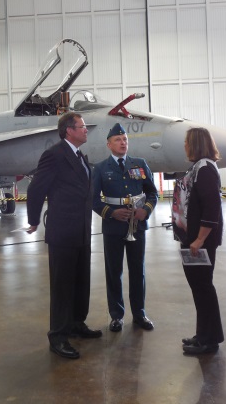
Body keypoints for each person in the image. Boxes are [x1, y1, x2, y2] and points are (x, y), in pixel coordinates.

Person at [26, 112, 102, 360]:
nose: (86, 130)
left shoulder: (80, 156)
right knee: (62, 286)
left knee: (81, 281)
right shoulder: (54, 155)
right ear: (69, 130)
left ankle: (76, 323)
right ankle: (58, 336)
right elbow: (36, 188)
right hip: (62, 231)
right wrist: (34, 219)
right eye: (82, 126)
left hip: (82, 230)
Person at [92, 123, 158, 333]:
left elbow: (152, 193)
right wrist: (111, 213)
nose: (123, 143)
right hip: (113, 226)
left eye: (125, 140)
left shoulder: (139, 164)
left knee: (138, 271)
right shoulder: (100, 168)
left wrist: (145, 211)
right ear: (109, 144)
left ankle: (139, 314)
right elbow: (92, 200)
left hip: (137, 225)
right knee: (114, 272)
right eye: (118, 140)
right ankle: (116, 316)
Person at [172, 127, 224, 355]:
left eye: (187, 142)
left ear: (195, 144)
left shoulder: (204, 169)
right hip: (194, 238)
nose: (184, 146)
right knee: (199, 288)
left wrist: (200, 239)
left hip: (200, 241)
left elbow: (212, 208)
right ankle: (203, 334)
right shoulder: (198, 167)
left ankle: (209, 340)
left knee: (203, 288)